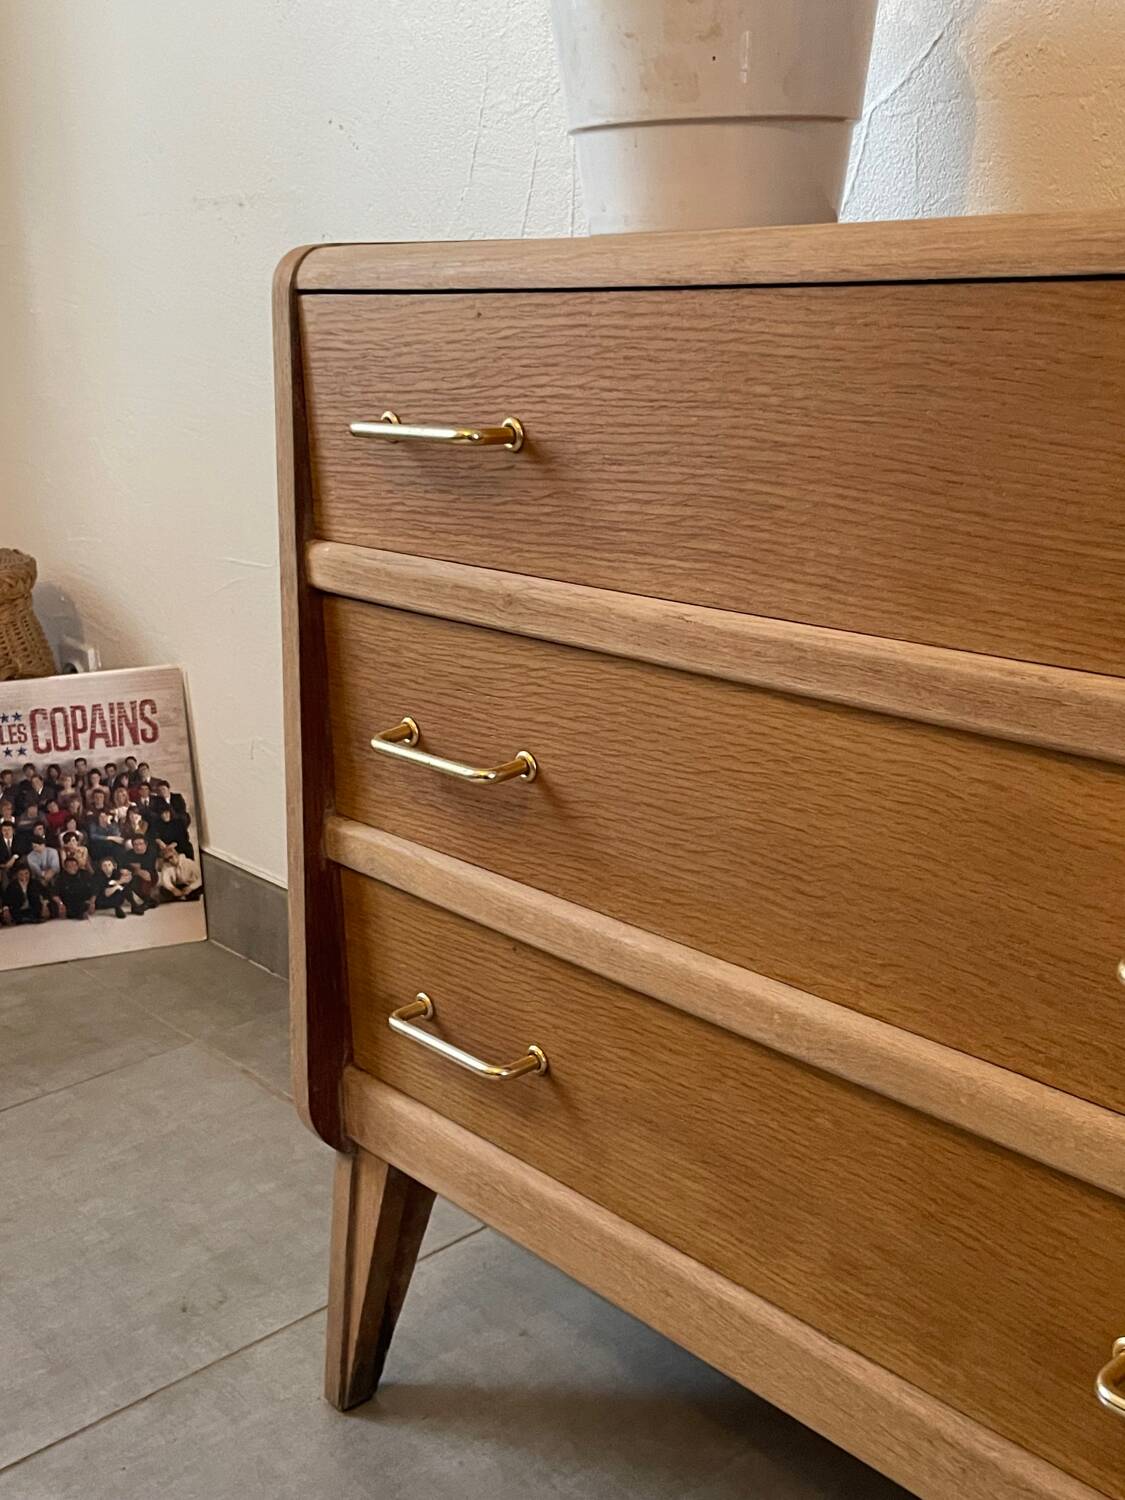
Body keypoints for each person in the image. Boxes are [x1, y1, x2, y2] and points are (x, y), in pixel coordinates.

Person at [55, 854, 95, 919]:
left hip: (83, 900)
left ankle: (77, 914)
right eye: (69, 866)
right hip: (67, 901)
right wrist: (60, 904)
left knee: (84, 905)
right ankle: (78, 914)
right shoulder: (60, 877)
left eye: (74, 865)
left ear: (78, 866)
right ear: (65, 868)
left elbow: (94, 889)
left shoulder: (85, 874)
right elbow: (54, 893)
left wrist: (92, 902)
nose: (72, 867)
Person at [124, 835, 159, 907]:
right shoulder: (128, 854)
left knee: (145, 877)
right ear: (133, 846)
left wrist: (135, 870)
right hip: (135, 875)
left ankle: (147, 900)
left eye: (140, 844)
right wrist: (136, 871)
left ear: (146, 844)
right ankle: (148, 900)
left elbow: (147, 873)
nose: (138, 847)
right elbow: (125, 868)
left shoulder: (151, 853)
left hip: (151, 875)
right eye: (135, 844)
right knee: (128, 878)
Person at [0, 819, 18, 885]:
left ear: (13, 830)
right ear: (1, 831)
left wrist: (13, 858)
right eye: (4, 830)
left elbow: (20, 852)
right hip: (3, 867)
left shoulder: (18, 839)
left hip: (17, 865)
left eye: (9, 829)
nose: (7, 832)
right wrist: (4, 865)